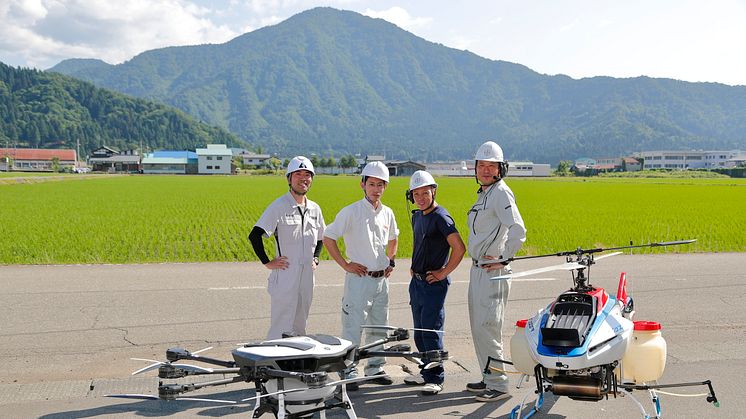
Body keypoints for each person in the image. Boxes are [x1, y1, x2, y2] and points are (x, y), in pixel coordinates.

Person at [323, 161, 398, 390]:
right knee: (352, 326)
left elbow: (394, 238)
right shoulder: (351, 212)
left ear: (385, 187)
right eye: (372, 184)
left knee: (379, 326)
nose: (376, 189)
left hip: (380, 281)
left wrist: (391, 260)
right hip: (359, 280)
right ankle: (348, 370)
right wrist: (345, 265)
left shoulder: (387, 213)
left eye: (380, 185)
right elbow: (329, 237)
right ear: (362, 184)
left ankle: (375, 368)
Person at [466, 141, 526, 402]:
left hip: (493, 273)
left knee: (489, 327)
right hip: (478, 270)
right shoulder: (484, 194)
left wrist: (503, 258)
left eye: (492, 166)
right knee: (478, 328)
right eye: (482, 165)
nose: (486, 170)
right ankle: (488, 376)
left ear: (501, 169)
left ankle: (499, 385)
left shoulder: (501, 192)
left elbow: (518, 229)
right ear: (475, 169)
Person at [402, 170, 465, 395]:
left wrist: (443, 272)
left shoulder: (441, 217)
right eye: (415, 194)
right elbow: (419, 242)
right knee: (419, 332)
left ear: (433, 191)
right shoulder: (417, 216)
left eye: (424, 193)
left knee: (431, 330)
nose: (420, 198)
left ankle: (436, 379)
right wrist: (414, 265)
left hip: (433, 284)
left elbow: (459, 247)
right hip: (417, 283)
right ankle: (425, 372)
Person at [249, 156, 325, 340]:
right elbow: (255, 235)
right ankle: (274, 364)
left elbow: (321, 238)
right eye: (297, 174)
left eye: (307, 174)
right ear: (289, 179)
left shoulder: (315, 209)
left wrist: (316, 257)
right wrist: (267, 262)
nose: (303, 178)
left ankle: (296, 363)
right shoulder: (279, 206)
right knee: (281, 324)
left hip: (307, 276)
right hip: (285, 275)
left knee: (300, 322)